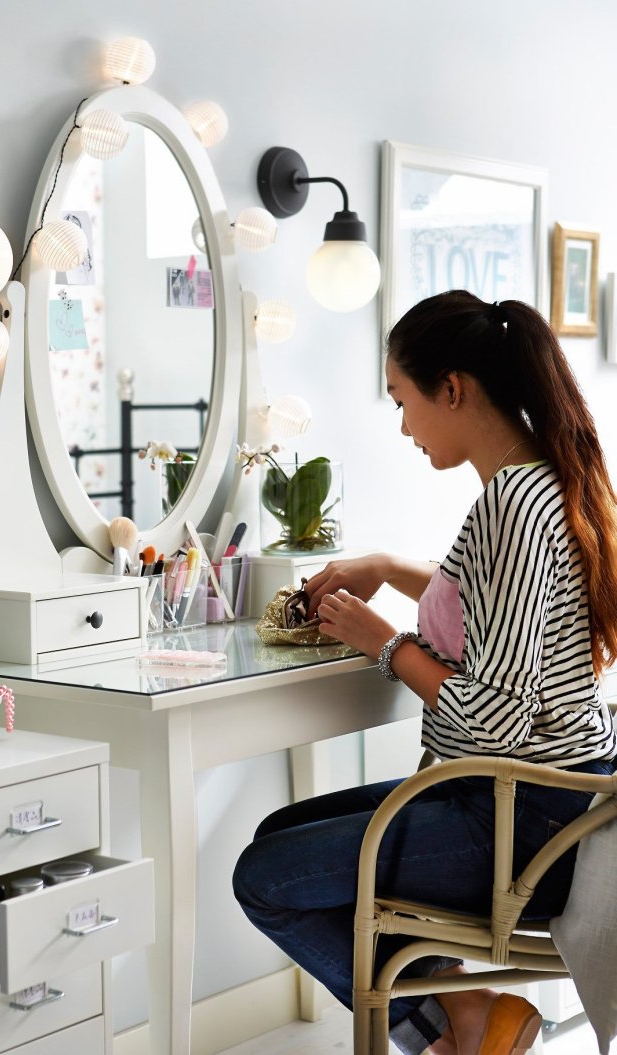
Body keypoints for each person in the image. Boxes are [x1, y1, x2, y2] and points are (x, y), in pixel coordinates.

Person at [233, 290, 617, 1055]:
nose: (404, 425)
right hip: (558, 800)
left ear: (453, 387)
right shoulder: (543, 481)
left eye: (403, 400)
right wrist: (385, 567)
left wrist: (381, 641)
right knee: (281, 831)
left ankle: (461, 1021)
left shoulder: (512, 503)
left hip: (523, 822)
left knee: (265, 875)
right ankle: (471, 1021)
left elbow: (495, 718)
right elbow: (495, 601)